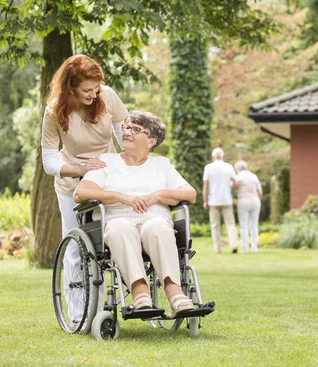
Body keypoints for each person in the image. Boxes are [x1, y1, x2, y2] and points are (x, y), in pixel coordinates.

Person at [74, 111, 196, 315]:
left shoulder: (161, 165)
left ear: (151, 141)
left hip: (154, 219)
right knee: (121, 228)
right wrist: (121, 197)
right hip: (116, 220)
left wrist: (159, 194)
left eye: (136, 129)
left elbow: (190, 194)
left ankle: (174, 291)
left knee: (157, 227)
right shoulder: (107, 161)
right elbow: (81, 192)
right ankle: (140, 291)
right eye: (126, 127)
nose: (127, 132)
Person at [41, 54, 128, 323]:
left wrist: (133, 163)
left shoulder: (108, 96)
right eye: (86, 90)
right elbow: (49, 161)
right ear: (71, 88)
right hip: (71, 184)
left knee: (108, 241)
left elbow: (126, 135)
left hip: (108, 179)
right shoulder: (55, 111)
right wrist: (82, 169)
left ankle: (109, 302)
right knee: (77, 246)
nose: (93, 94)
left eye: (96, 88)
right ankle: (78, 311)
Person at [203, 148, 239, 253]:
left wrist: (205, 201)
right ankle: (234, 245)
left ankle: (217, 248)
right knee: (230, 224)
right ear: (222, 156)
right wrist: (230, 189)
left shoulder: (208, 167)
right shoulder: (228, 167)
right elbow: (236, 182)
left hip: (213, 200)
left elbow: (206, 186)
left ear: (213, 156)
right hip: (227, 200)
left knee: (215, 225)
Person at [234, 161, 262, 253]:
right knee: (254, 225)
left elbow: (233, 187)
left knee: (244, 225)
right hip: (255, 201)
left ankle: (245, 248)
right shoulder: (254, 176)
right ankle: (255, 247)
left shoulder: (238, 177)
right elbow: (260, 192)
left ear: (238, 169)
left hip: (243, 201)